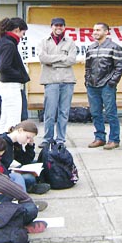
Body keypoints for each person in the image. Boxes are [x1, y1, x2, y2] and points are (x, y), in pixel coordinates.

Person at [38, 17, 77, 148]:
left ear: (64, 27)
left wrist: (52, 61)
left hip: (67, 81)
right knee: (49, 112)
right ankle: (47, 138)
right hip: (50, 81)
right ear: (52, 27)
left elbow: (71, 60)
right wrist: (61, 58)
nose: (58, 28)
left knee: (64, 112)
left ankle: (61, 139)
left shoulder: (70, 42)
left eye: (61, 25)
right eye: (56, 25)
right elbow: (43, 58)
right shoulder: (44, 42)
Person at [86, 22, 122, 150]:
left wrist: (111, 82)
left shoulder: (115, 47)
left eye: (98, 30)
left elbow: (120, 68)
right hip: (92, 85)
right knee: (95, 113)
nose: (95, 32)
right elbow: (87, 67)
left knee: (110, 113)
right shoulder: (91, 48)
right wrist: (87, 81)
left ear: (106, 32)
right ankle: (100, 138)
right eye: (94, 30)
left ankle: (114, 139)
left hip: (107, 85)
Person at [0, 17, 30, 134]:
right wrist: (20, 75)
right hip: (11, 86)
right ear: (17, 30)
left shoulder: (2, 41)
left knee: (4, 118)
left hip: (5, 85)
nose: (22, 37)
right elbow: (4, 67)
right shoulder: (9, 44)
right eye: (22, 33)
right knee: (13, 120)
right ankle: (11, 146)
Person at [0, 120, 50, 195]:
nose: (28, 140)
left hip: (12, 168)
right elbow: (0, 165)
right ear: (20, 130)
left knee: (38, 164)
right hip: (4, 173)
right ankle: (31, 187)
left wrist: (30, 145)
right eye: (28, 137)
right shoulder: (2, 142)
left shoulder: (16, 143)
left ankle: (34, 184)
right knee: (29, 178)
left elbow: (25, 160)